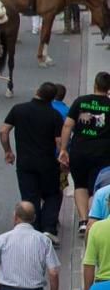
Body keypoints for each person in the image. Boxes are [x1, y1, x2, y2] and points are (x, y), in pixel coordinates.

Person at [0, 83, 65, 243]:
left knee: (30, 196)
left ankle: (33, 228)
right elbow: (58, 142)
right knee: (52, 194)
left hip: (25, 163)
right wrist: (63, 157)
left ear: (37, 91)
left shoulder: (18, 109)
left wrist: (8, 151)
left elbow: (3, 131)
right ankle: (49, 229)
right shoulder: (54, 115)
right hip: (48, 163)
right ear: (52, 98)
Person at [59, 72, 110, 233]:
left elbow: (68, 125)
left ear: (95, 84)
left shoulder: (80, 102)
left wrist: (63, 149)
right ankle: (94, 221)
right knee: (97, 188)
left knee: (80, 184)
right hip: (104, 152)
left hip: (79, 150)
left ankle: (83, 219)